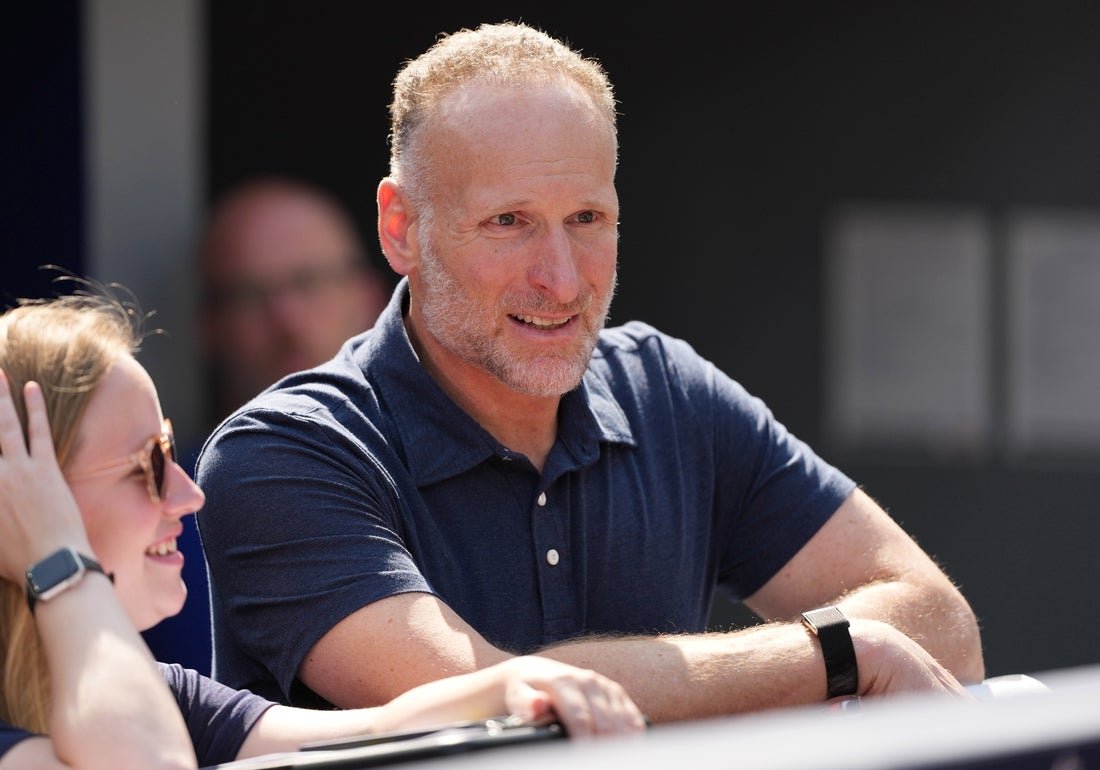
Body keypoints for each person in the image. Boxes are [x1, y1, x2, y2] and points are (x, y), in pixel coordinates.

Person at [195, 21, 985, 723]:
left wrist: (826, 655)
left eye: (587, 219)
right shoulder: (283, 455)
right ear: (401, 228)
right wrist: (838, 654)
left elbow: (942, 627)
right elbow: (489, 704)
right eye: (509, 222)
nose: (562, 279)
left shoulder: (668, 395)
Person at [0, 287, 645, 769]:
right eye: (148, 464)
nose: (188, 494)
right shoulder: (121, 724)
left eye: (172, 452)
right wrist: (58, 559)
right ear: (23, 496)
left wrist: (509, 685)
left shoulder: (152, 694)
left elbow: (372, 734)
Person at [143, 177, 391, 675]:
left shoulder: (437, 478)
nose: (285, 317)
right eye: (249, 295)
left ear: (372, 295)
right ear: (208, 327)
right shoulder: (157, 512)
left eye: (309, 281)